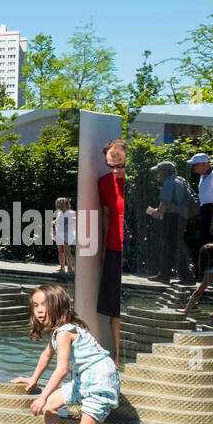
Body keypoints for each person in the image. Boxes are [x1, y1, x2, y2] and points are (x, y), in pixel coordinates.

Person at [13, 284, 121, 424]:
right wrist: (33, 378)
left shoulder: (65, 332)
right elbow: (47, 355)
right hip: (86, 379)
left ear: (58, 305)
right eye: (35, 306)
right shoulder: (61, 330)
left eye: (44, 304)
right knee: (51, 406)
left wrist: (42, 396)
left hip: (99, 380)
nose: (39, 310)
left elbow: (62, 369)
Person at [95, 138, 126, 362]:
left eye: (119, 165)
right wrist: (105, 247)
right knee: (114, 305)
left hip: (135, 251)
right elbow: (105, 215)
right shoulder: (104, 182)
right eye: (110, 165)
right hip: (115, 248)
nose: (114, 170)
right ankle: (117, 356)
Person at [144, 161, 196, 284]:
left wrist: (157, 212)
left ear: (165, 171)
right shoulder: (181, 180)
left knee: (169, 246)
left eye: (159, 171)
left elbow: (166, 203)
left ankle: (182, 276)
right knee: (174, 246)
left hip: (172, 216)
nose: (158, 174)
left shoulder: (169, 182)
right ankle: (172, 275)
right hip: (181, 217)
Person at [188, 153, 213, 251]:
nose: (192, 167)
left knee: (207, 241)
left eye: (195, 164)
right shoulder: (203, 175)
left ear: (204, 164)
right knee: (206, 241)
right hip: (205, 210)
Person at [51, 197, 76, 276]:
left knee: (67, 251)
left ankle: (70, 268)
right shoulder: (59, 213)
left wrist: (72, 219)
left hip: (68, 235)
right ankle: (62, 267)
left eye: (61, 205)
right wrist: (55, 221)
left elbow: (78, 217)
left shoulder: (71, 212)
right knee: (60, 251)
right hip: (59, 234)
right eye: (58, 205)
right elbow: (59, 220)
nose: (59, 206)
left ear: (66, 205)